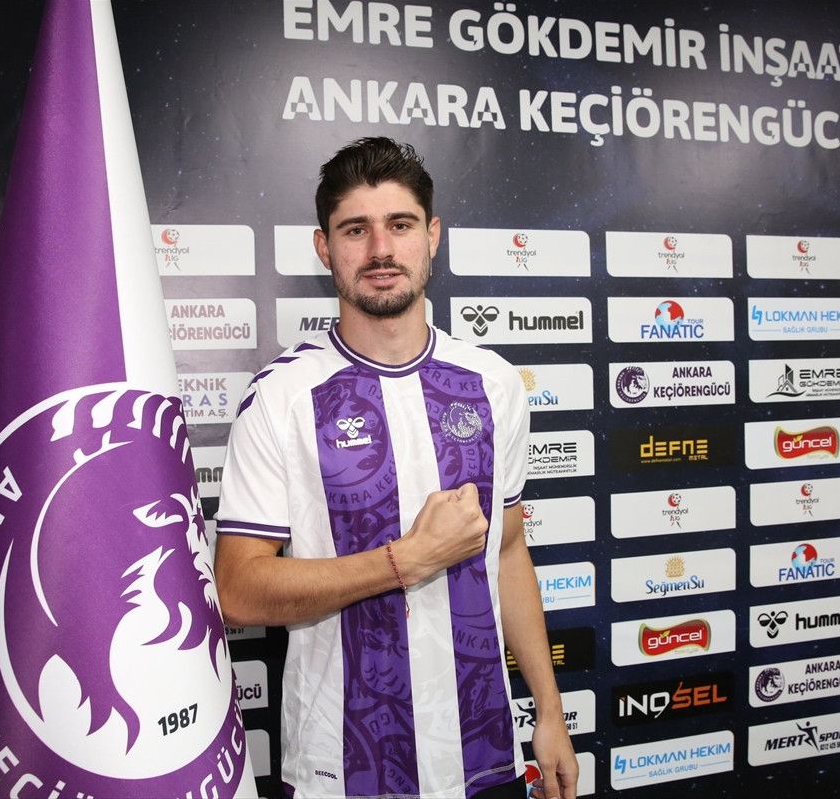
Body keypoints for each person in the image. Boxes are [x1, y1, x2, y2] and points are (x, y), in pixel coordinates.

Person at [214, 137, 578, 799]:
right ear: (325, 248)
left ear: (432, 236)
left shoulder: (493, 383)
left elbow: (507, 549)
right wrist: (405, 561)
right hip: (341, 768)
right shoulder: (282, 397)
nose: (381, 249)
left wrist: (549, 712)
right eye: (356, 230)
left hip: (484, 754)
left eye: (400, 225)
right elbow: (238, 589)